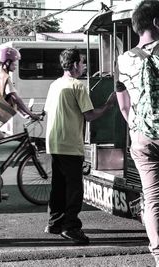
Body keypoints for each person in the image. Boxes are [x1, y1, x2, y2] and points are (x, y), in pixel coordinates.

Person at [43, 48, 116, 245]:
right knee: (74, 188)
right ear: (75, 65)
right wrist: (108, 106)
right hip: (70, 143)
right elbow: (89, 115)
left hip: (53, 142)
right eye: (82, 63)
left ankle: (54, 222)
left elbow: (49, 111)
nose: (84, 66)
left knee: (58, 186)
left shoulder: (54, 85)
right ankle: (71, 227)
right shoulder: (78, 86)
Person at [116, 0, 159, 264]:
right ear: (156, 22)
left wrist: (134, 125)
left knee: (153, 199)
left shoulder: (124, 59)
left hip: (142, 137)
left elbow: (122, 100)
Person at [0, 46, 41, 140]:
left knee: (0, 141)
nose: (16, 65)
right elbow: (15, 98)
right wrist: (31, 115)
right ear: (7, 62)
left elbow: (11, 100)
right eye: (14, 62)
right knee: (0, 140)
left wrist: (26, 114)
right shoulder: (4, 76)